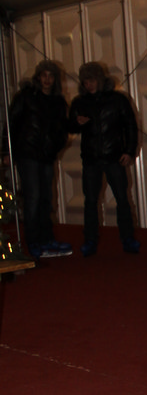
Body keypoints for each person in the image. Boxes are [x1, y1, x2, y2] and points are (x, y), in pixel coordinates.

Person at [68, 61, 140, 256]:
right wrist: (77, 122)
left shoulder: (118, 100)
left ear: (100, 80)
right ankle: (90, 240)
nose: (88, 85)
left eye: (91, 80)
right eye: (85, 82)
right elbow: (70, 126)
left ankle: (128, 238)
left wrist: (129, 151)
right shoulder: (79, 102)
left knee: (122, 198)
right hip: (91, 159)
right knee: (90, 201)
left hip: (114, 157)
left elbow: (130, 125)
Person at [4, 59, 72, 259]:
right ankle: (33, 241)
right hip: (28, 154)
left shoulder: (58, 102)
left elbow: (63, 129)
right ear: (38, 77)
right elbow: (11, 124)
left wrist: (56, 146)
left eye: (51, 76)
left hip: (47, 155)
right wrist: (7, 151)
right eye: (44, 75)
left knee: (46, 198)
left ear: (55, 79)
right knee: (33, 197)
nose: (47, 80)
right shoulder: (25, 97)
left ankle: (46, 238)